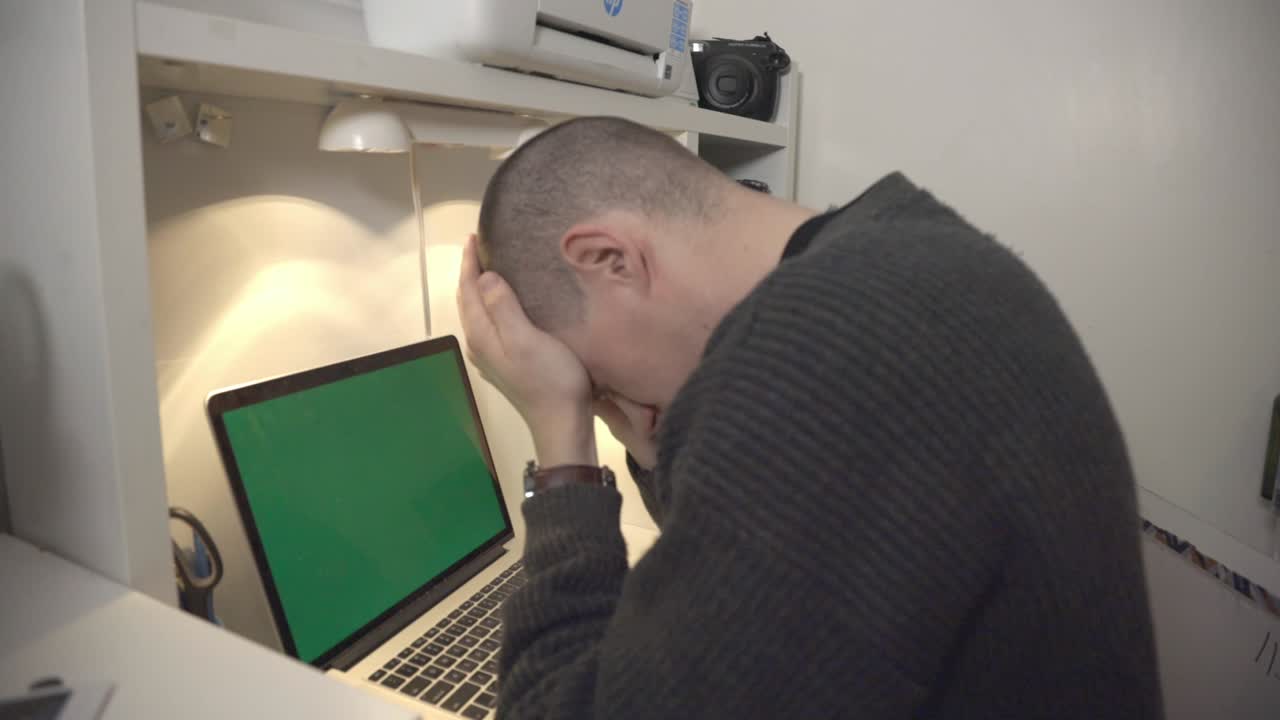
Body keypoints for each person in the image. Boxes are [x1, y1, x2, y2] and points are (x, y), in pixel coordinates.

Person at [456, 116, 1163, 719]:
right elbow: (757, 593)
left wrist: (561, 442)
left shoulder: (819, 355)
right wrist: (651, 448)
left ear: (610, 259)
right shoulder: (907, 252)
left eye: (597, 381)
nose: (617, 402)